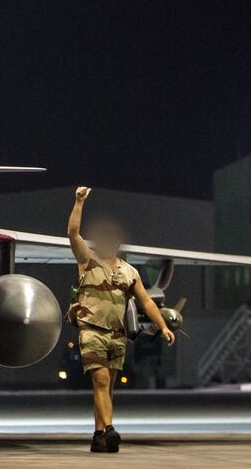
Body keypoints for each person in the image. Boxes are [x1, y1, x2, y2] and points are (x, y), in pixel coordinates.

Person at [67, 186, 175, 453]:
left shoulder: (129, 272)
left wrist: (162, 326)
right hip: (92, 331)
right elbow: (72, 233)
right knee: (101, 381)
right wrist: (79, 202)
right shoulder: (87, 262)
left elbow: (146, 301)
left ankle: (98, 435)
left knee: (107, 387)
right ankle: (111, 429)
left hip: (117, 335)